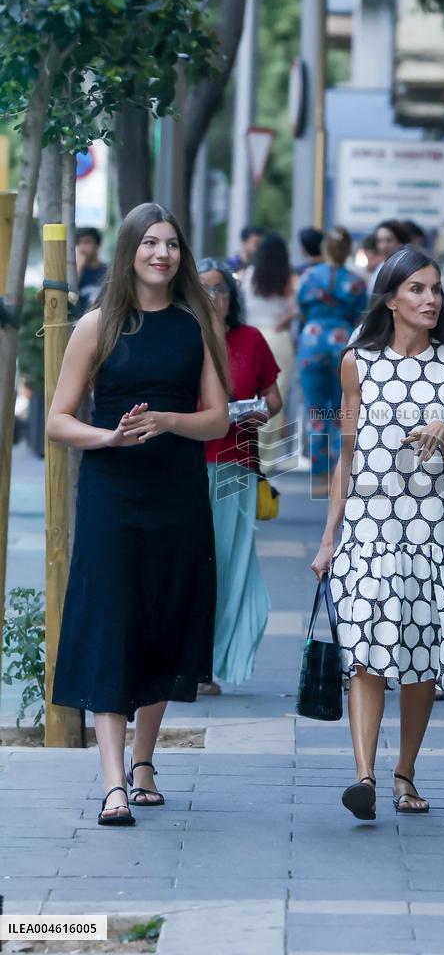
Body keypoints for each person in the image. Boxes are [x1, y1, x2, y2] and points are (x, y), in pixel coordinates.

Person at [48, 202, 229, 827]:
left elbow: (219, 417)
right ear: (129, 252)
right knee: (111, 622)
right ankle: (113, 783)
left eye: (172, 244)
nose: (162, 254)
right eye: (150, 243)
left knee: (162, 616)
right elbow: (57, 418)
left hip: (175, 491)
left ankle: (145, 762)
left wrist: (169, 421)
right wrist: (110, 438)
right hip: (111, 492)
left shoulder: (194, 324)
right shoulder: (97, 325)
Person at [312, 246, 444, 820]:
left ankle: (405, 773)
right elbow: (347, 453)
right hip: (369, 524)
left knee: (421, 654)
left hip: (433, 526)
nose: (430, 299)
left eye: (435, 289)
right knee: (365, 651)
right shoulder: (357, 360)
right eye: (417, 290)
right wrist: (329, 537)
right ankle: (365, 776)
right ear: (390, 298)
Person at [196, 259, 282, 694]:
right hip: (187, 463)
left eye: (220, 289)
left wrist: (259, 411)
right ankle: (183, 660)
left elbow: (273, 398)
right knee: (190, 562)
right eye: (204, 289)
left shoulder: (250, 339)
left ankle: (207, 665)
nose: (213, 297)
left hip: (235, 462)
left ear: (233, 296)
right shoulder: (183, 336)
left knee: (226, 564)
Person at [296, 227, 367, 496]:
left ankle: (320, 476)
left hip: (312, 343)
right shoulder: (356, 282)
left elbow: (302, 308)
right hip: (342, 345)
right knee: (343, 413)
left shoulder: (308, 276)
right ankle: (340, 476)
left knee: (315, 414)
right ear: (348, 250)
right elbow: (361, 315)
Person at [242, 231, 297, 454]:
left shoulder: (249, 274)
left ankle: (247, 449)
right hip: (278, 338)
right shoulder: (287, 277)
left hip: (252, 337)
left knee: (249, 396)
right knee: (275, 399)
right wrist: (283, 320)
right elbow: (296, 307)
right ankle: (265, 457)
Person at [368, 219, 411, 293]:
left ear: (400, 242)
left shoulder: (406, 269)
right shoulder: (381, 266)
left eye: (389, 240)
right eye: (380, 240)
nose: (384, 246)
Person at [75, 227, 108, 312]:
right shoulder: (75, 271)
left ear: (97, 245)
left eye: (87, 242)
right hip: (78, 322)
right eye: (79, 243)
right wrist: (78, 268)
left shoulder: (108, 271)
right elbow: (68, 294)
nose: (82, 248)